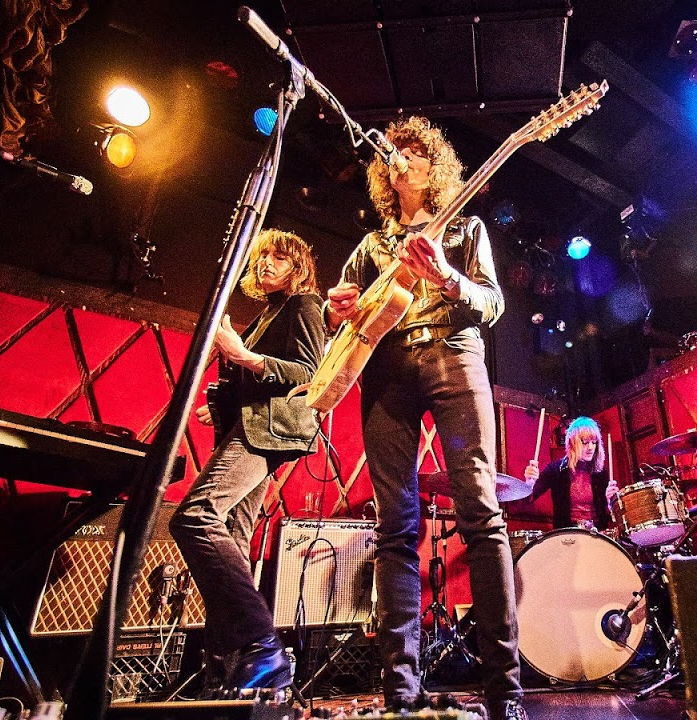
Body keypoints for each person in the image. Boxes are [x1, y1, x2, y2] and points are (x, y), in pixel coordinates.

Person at [323, 116, 525, 720]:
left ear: (433, 167)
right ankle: (399, 694)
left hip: (454, 360)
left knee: (481, 516)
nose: (400, 158)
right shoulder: (370, 248)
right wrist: (340, 308)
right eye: (392, 152)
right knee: (394, 529)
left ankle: (505, 692)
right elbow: (347, 317)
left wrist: (448, 276)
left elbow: (492, 302)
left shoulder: (465, 227)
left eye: (413, 152)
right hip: (385, 370)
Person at [170, 228, 326, 694]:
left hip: (271, 429)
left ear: (296, 267)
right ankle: (226, 673)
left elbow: (310, 374)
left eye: (278, 259)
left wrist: (245, 356)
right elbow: (250, 383)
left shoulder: (305, 306)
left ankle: (263, 647)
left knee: (195, 517)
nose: (265, 265)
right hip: (249, 424)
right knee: (232, 544)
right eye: (262, 259)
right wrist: (220, 404)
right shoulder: (267, 314)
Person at [522, 416, 616, 532]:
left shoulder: (600, 473)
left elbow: (609, 516)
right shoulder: (555, 470)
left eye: (594, 442)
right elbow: (527, 501)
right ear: (572, 443)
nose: (591, 447)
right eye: (585, 442)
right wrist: (529, 484)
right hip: (567, 535)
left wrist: (610, 501)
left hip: (597, 533)